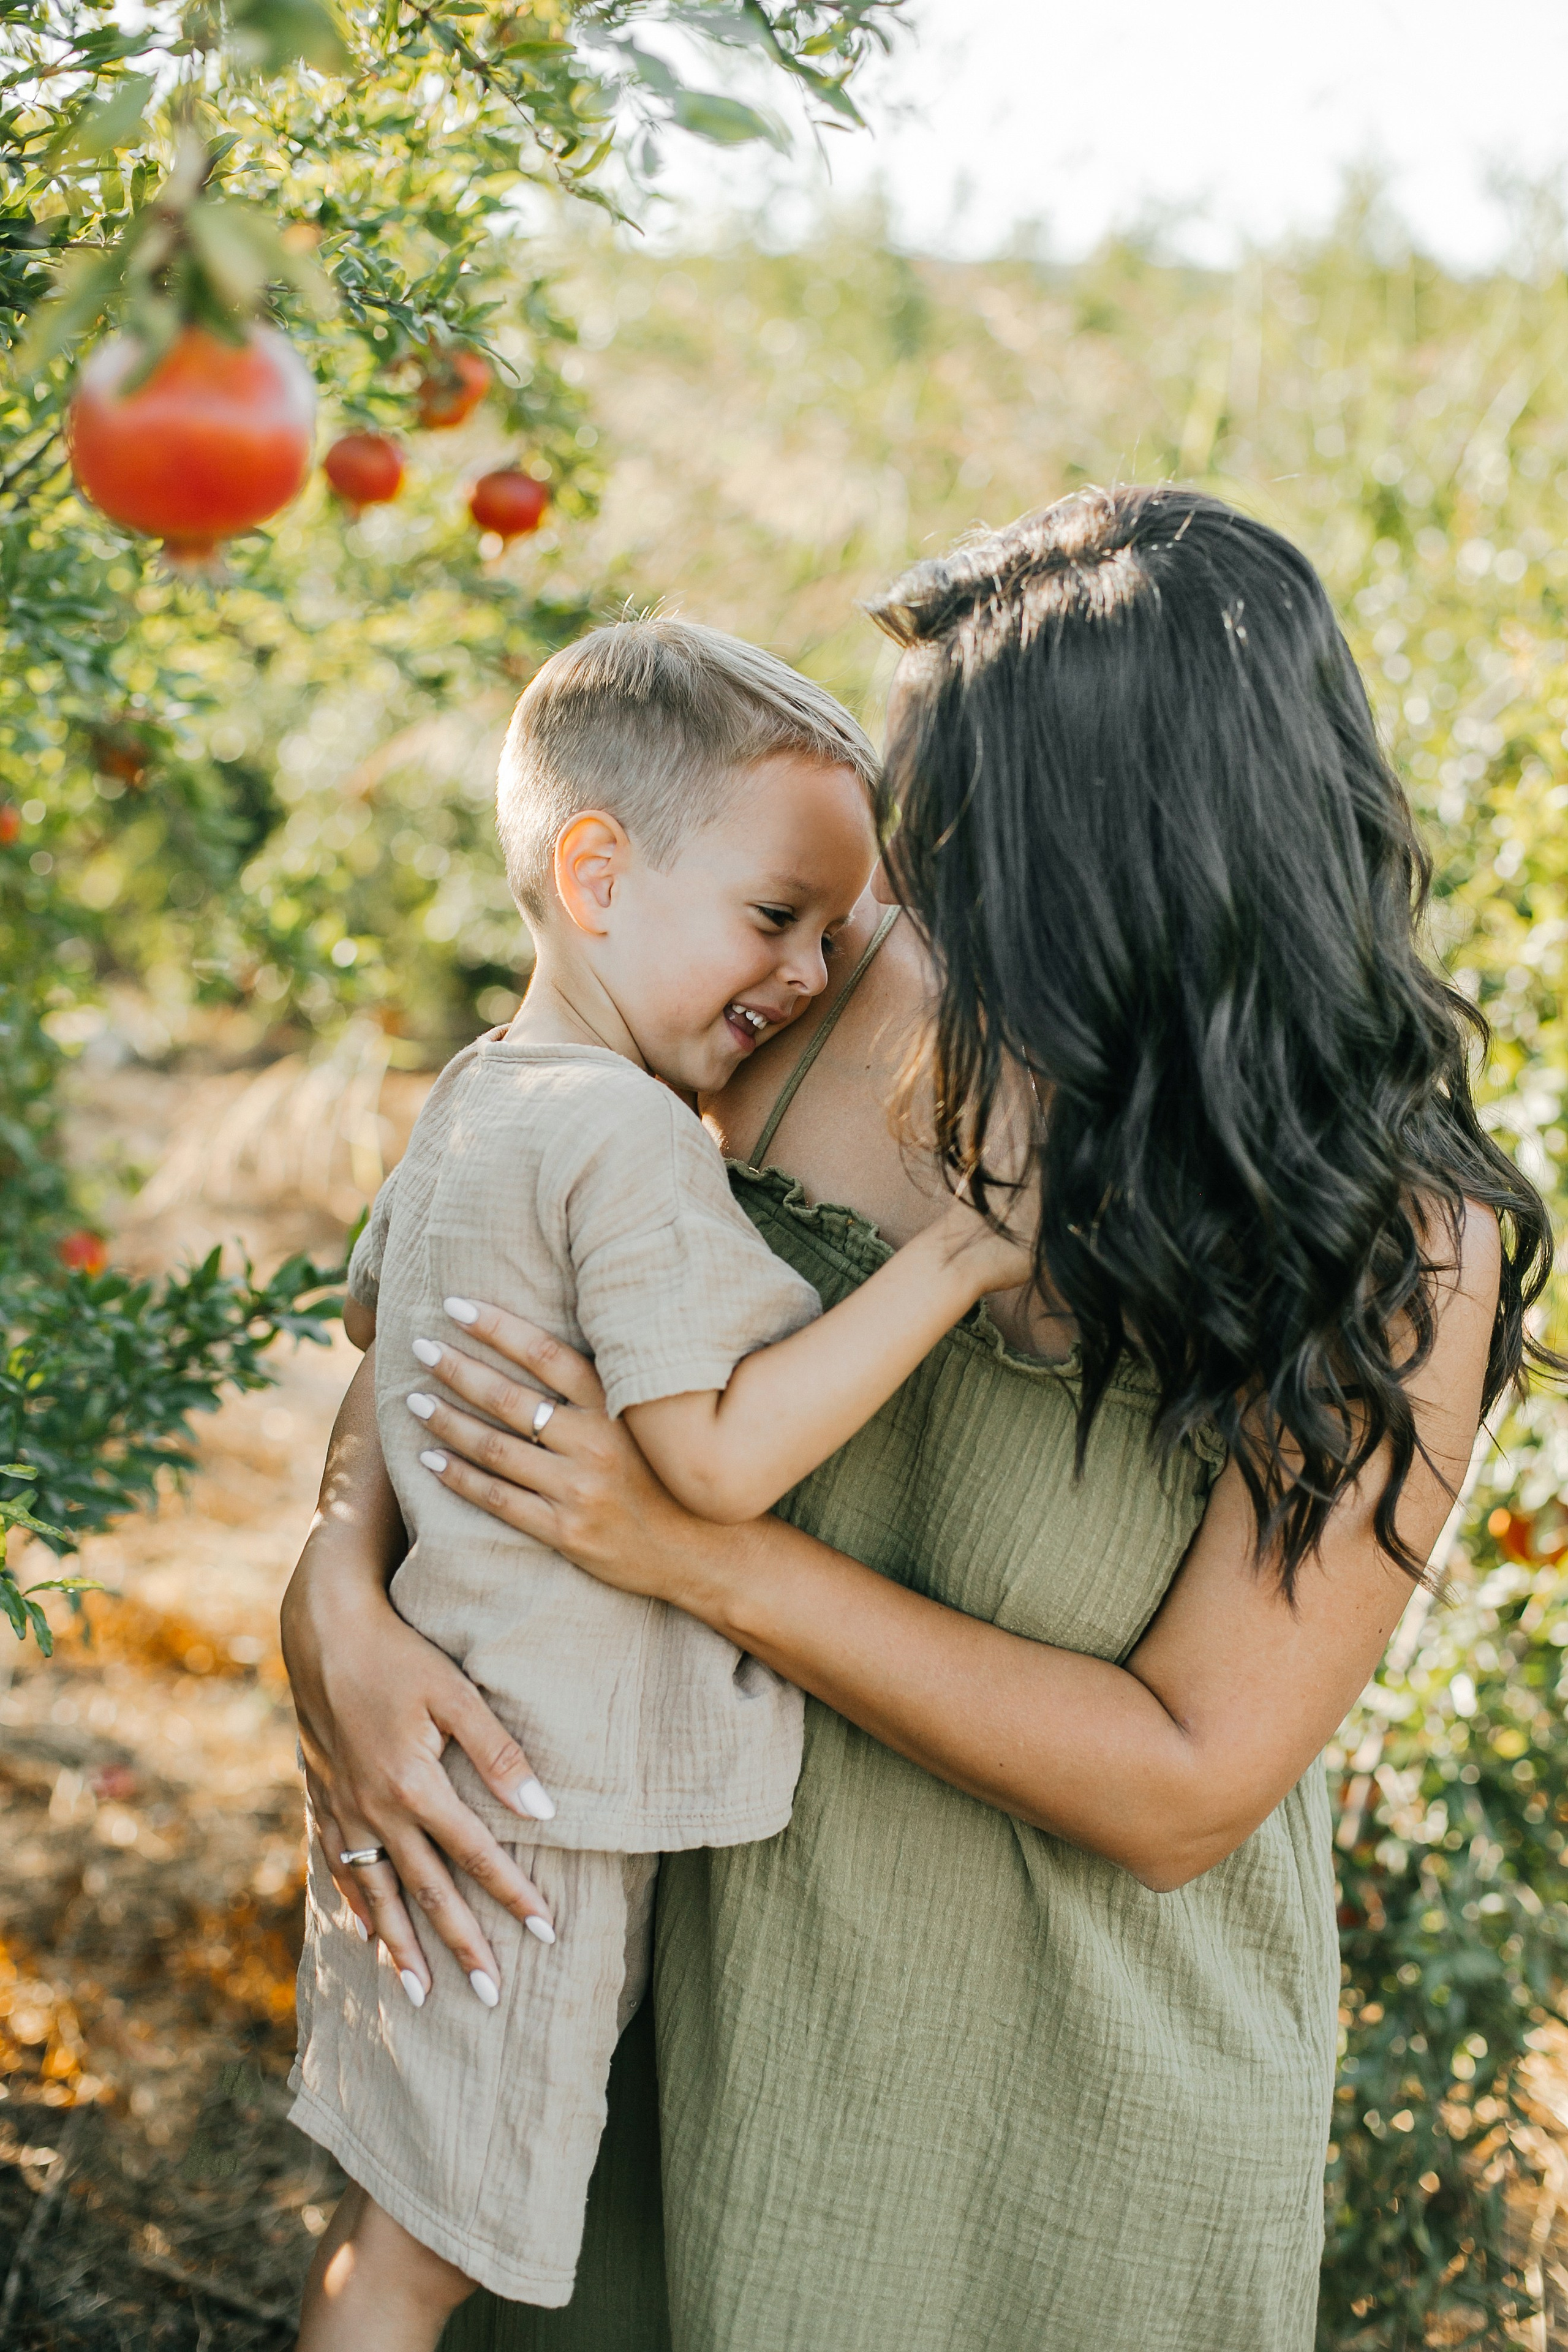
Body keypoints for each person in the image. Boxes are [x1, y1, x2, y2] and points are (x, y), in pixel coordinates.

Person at [282, 487, 1555, 2352]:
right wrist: (335, 1595)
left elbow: (1189, 1784)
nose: (905, 880)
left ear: (1121, 848)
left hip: (1064, 2106)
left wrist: (701, 1559)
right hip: (673, 2000)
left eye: (955, 827)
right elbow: (487, 1272)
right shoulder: (811, 995)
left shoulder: (1401, 1233)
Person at [289, 619, 1028, 2350]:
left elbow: (377, 1321)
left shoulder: (479, 1096)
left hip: (462, 1758)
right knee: (418, 2265)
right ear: (596, 874)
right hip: (529, 1801)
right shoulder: (623, 1137)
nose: (810, 972)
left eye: (834, 932)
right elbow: (711, 1458)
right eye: (776, 916)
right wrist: (962, 1258)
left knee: (399, 2229)